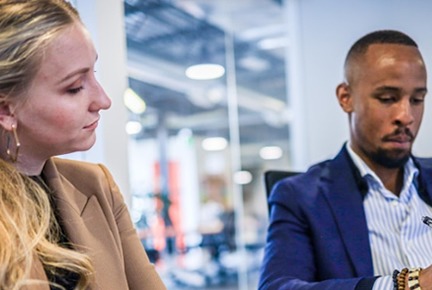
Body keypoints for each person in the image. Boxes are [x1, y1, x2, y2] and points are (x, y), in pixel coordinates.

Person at [0, 0, 167, 289]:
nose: (103, 101)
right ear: (5, 110)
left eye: (94, 74)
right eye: (75, 87)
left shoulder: (95, 185)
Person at [259, 29, 432, 290]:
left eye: (417, 100)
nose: (406, 115)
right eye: (388, 99)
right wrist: (409, 285)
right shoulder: (300, 197)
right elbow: (277, 287)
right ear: (346, 97)